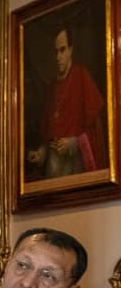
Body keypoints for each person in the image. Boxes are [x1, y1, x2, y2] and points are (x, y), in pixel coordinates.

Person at [26, 27, 106, 179]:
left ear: (71, 50)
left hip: (76, 170)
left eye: (62, 50)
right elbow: (49, 138)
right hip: (53, 174)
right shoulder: (51, 88)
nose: (58, 57)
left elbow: (95, 131)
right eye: (55, 51)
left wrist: (73, 144)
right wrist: (40, 154)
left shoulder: (82, 77)